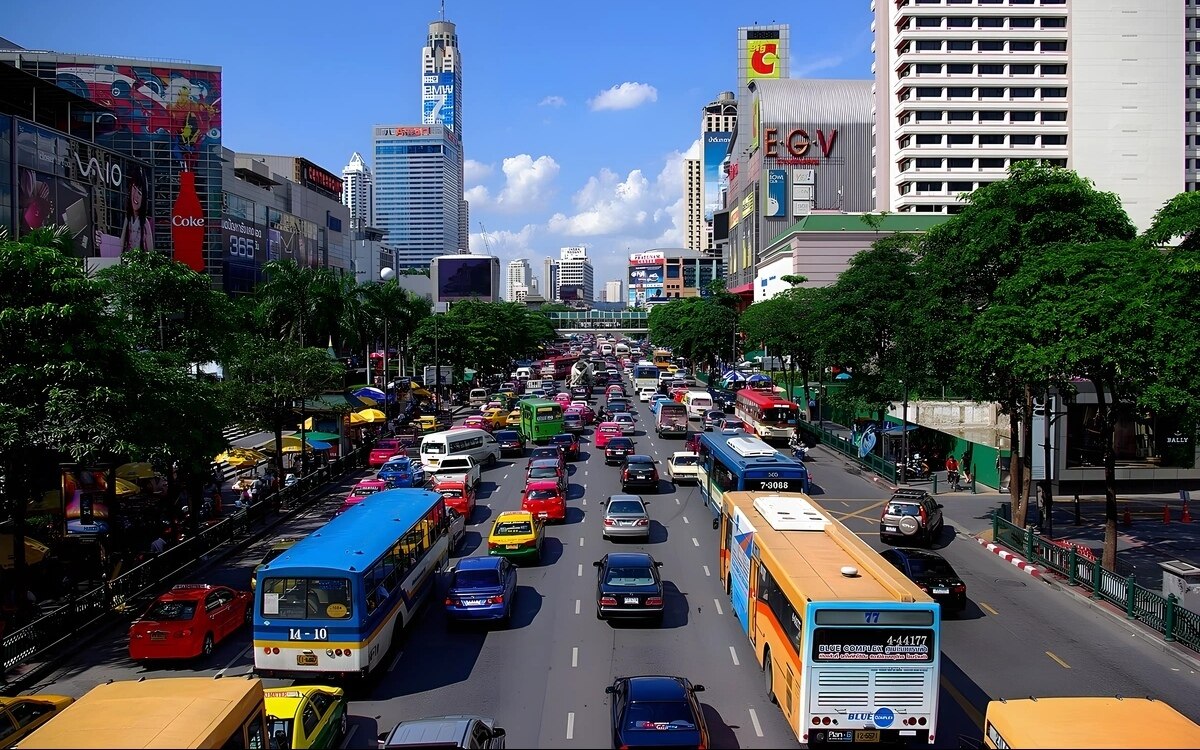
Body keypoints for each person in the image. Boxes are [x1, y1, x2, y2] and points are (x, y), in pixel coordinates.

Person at [119, 166, 154, 252]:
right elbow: (121, 243)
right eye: (134, 189)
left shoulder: (144, 222)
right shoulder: (128, 219)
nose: (135, 196)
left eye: (139, 192)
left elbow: (150, 250)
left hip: (140, 260)